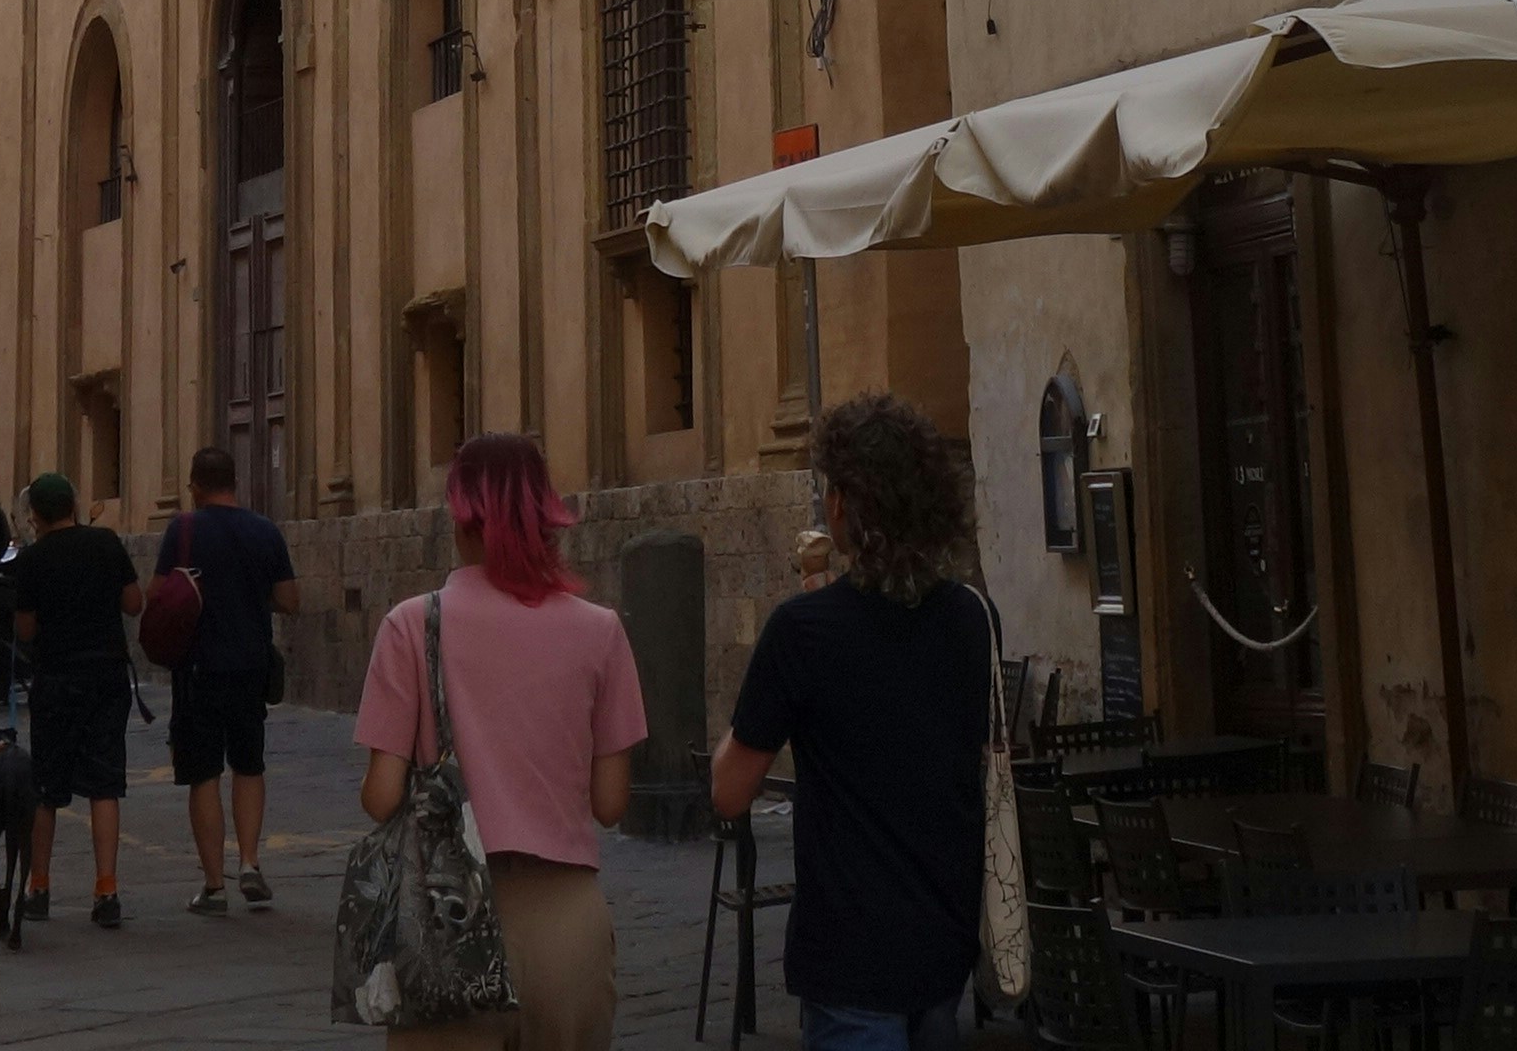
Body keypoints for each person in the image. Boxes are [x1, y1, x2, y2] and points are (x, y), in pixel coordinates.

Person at [711, 398, 993, 1051]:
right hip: (944, 941)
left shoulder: (801, 633)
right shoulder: (973, 618)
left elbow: (729, 790)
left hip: (850, 949)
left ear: (844, 507)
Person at [355, 434, 646, 1051]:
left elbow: (381, 798)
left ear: (461, 520)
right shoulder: (602, 632)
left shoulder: (411, 625)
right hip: (565, 926)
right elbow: (611, 801)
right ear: (546, 519)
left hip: (444, 923)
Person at [157, 444, 302, 914]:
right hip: (249, 664)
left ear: (196, 485)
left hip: (197, 669)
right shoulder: (265, 531)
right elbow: (289, 599)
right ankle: (251, 863)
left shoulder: (183, 529)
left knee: (203, 774)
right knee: (249, 764)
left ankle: (215, 885)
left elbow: (160, 595)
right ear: (234, 482)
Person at [3, 470, 138, 928]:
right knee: (104, 784)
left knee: (47, 787)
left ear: (36, 515)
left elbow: (24, 629)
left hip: (57, 680)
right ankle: (106, 888)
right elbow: (134, 603)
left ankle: (38, 884)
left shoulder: (34, 560)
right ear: (75, 507)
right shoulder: (106, 544)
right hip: (106, 676)